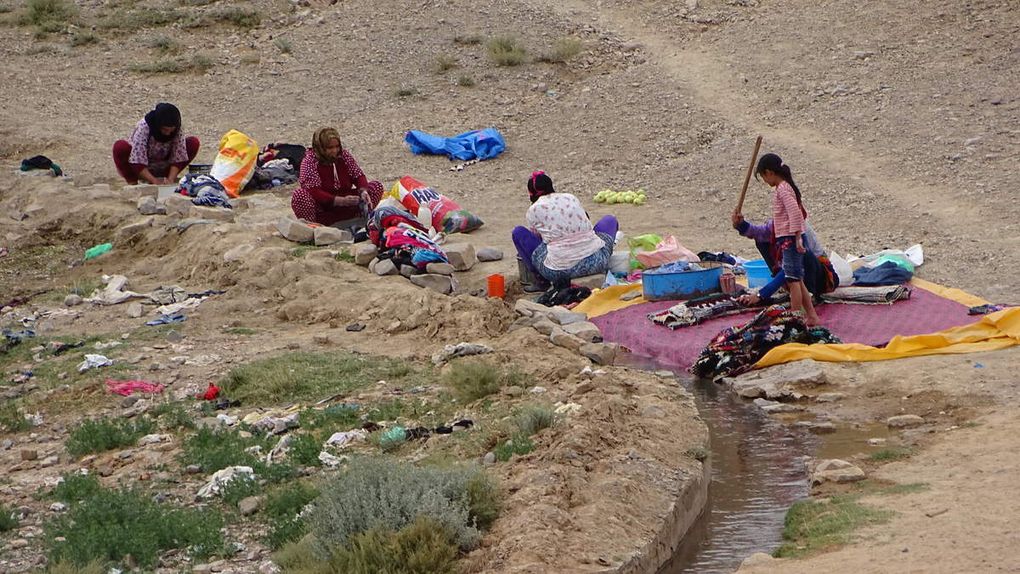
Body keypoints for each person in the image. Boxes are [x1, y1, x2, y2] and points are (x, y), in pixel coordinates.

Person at [738, 153, 824, 325]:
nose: (765, 181)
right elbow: (760, 231)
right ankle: (812, 316)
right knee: (797, 279)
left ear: (769, 173)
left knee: (793, 281)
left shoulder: (783, 189)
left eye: (763, 177)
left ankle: (795, 318)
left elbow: (795, 213)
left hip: (791, 240)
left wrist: (797, 238)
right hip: (791, 239)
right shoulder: (785, 188)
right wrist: (740, 224)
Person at [512, 171, 618, 291]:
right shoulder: (570, 197)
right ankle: (598, 263)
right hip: (598, 262)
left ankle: (541, 281)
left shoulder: (533, 210)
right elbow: (586, 218)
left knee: (518, 232)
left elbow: (538, 238)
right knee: (610, 220)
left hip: (559, 271)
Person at [291, 127, 384, 231]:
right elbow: (313, 191)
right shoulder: (310, 161)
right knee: (299, 196)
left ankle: (358, 218)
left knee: (376, 186)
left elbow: (358, 176)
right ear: (321, 147)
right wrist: (339, 201)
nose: (335, 151)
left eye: (337, 147)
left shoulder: (343, 156)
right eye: (330, 148)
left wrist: (363, 191)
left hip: (347, 202)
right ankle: (315, 228)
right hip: (324, 207)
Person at [113, 103, 199, 185]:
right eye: (165, 130)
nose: (168, 134)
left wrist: (170, 179)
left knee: (193, 143)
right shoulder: (144, 127)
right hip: (141, 167)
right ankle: (132, 181)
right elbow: (137, 159)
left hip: (164, 166)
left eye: (171, 131)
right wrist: (154, 181)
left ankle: (166, 177)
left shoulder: (177, 129)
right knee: (120, 147)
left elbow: (178, 156)